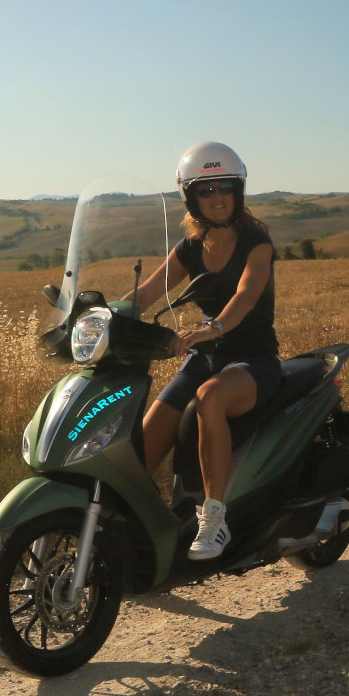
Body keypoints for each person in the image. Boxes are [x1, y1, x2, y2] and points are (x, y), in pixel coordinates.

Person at [124, 142, 281, 560]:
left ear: (238, 191)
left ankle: (215, 520)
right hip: (205, 357)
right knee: (147, 435)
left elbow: (246, 295)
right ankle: (138, 523)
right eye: (206, 191)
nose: (218, 198)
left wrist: (213, 327)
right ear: (191, 197)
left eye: (225, 187)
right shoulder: (189, 248)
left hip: (253, 359)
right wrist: (101, 318)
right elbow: (145, 294)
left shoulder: (257, 242)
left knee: (209, 398)